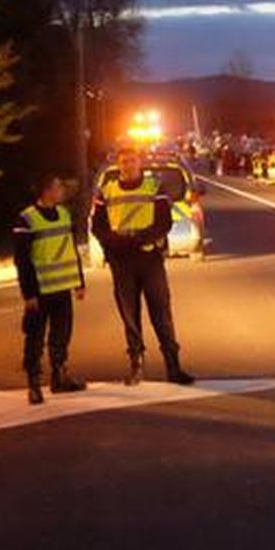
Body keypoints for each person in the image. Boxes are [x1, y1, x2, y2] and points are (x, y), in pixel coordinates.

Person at [92, 145, 196, 386]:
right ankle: (136, 367)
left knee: (161, 314)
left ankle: (173, 367)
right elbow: (98, 227)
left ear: (140, 163)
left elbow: (164, 222)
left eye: (132, 161)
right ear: (119, 165)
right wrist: (116, 244)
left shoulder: (154, 187)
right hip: (122, 262)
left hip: (149, 259)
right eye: (124, 161)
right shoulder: (106, 191)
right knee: (130, 316)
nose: (128, 165)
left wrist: (140, 239)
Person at [13, 172, 88, 404]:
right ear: (46, 191)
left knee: (61, 335)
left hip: (62, 288)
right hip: (40, 291)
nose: (62, 191)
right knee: (35, 337)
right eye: (58, 187)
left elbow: (70, 249)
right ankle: (34, 384)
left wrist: (79, 282)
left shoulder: (64, 214)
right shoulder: (26, 219)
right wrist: (29, 294)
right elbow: (22, 260)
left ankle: (59, 376)